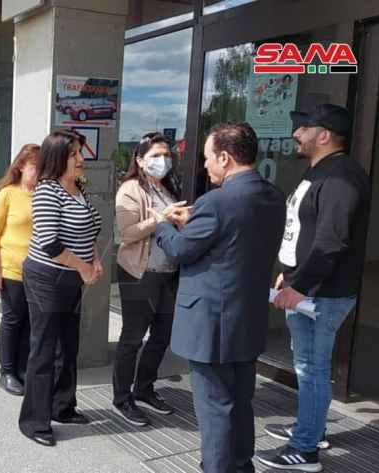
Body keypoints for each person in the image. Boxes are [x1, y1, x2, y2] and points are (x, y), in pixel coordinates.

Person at [154, 122, 285, 473]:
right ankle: (241, 466)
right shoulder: (272, 196)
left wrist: (164, 223)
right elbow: (232, 239)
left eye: (208, 158)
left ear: (225, 157)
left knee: (214, 409)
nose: (206, 165)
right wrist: (194, 221)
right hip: (247, 317)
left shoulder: (217, 202)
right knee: (241, 402)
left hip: (211, 323)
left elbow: (181, 249)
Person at [259, 105, 371, 472]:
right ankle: (311, 429)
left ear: (324, 135)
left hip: (321, 294)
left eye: (303, 128)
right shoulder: (322, 171)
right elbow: (305, 231)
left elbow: (331, 241)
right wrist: (288, 273)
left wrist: (301, 286)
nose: (296, 134)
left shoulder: (341, 177)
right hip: (306, 287)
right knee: (309, 366)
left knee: (312, 369)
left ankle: (305, 449)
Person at [17, 131, 102, 447]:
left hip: (72, 277)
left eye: (80, 153)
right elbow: (51, 244)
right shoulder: (47, 192)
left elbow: (92, 227)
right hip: (47, 277)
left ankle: (62, 407)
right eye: (74, 155)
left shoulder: (78, 188)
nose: (81, 160)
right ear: (56, 159)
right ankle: (34, 421)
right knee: (43, 350)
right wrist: (83, 267)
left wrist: (94, 260)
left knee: (68, 346)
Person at [112, 132, 189, 426]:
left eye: (167, 155)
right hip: (139, 273)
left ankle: (144, 388)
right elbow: (127, 233)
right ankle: (122, 397)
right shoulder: (131, 188)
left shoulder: (170, 185)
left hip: (170, 272)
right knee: (132, 337)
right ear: (141, 160)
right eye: (156, 155)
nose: (163, 160)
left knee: (162, 336)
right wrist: (161, 218)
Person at [0, 143, 40, 396]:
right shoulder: (7, 194)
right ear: (21, 166)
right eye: (35, 167)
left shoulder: (45, 193)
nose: (39, 171)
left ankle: (23, 369)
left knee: (30, 323)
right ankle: (6, 372)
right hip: (12, 270)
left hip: (39, 272)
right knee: (13, 319)